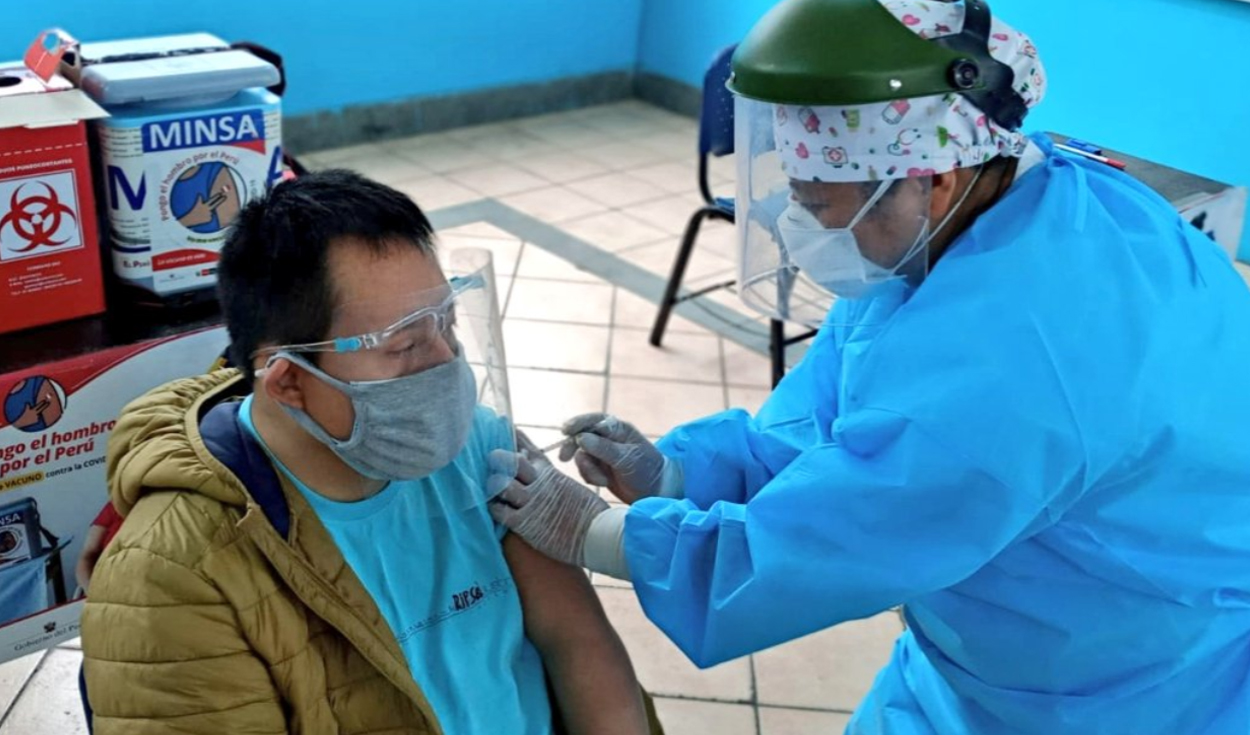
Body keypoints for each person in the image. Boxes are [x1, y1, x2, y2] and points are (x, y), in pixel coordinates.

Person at [489, 1, 1250, 733]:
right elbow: (837, 416)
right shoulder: (988, 216)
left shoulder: (1018, 358)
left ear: (930, 180)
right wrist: (680, 475)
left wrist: (600, 533)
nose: (801, 227)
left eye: (822, 207)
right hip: (1001, 629)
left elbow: (840, 537)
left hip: (1119, 679)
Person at [81, 170, 657, 735]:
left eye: (446, 323)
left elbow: (577, 642)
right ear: (288, 381)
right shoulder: (174, 576)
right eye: (404, 345)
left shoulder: (479, 447)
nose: (446, 363)